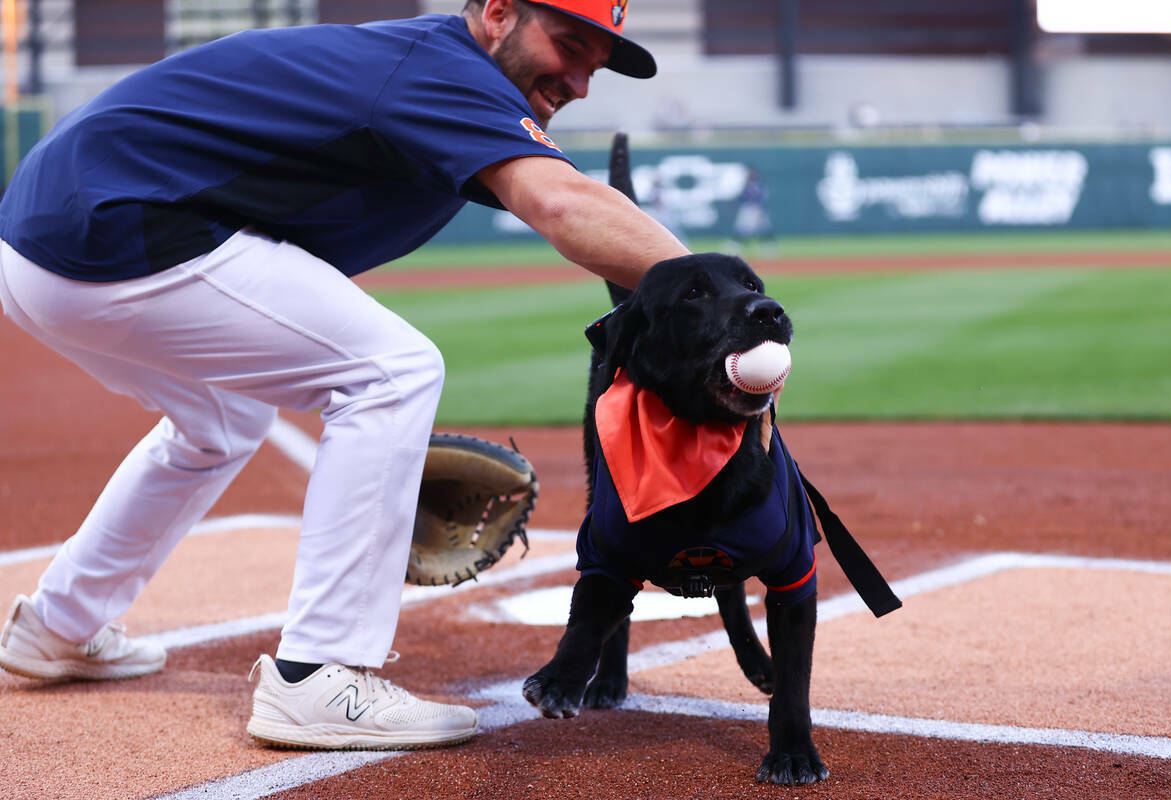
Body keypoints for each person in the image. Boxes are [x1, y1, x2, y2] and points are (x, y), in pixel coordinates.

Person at [0, 0, 688, 751]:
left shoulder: (438, 72)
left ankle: (59, 623)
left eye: (598, 62)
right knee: (391, 373)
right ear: (497, 13)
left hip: (47, 243)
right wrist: (730, 297)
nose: (582, 81)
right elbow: (562, 202)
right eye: (570, 46)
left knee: (223, 422)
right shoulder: (444, 72)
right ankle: (318, 676)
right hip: (116, 231)